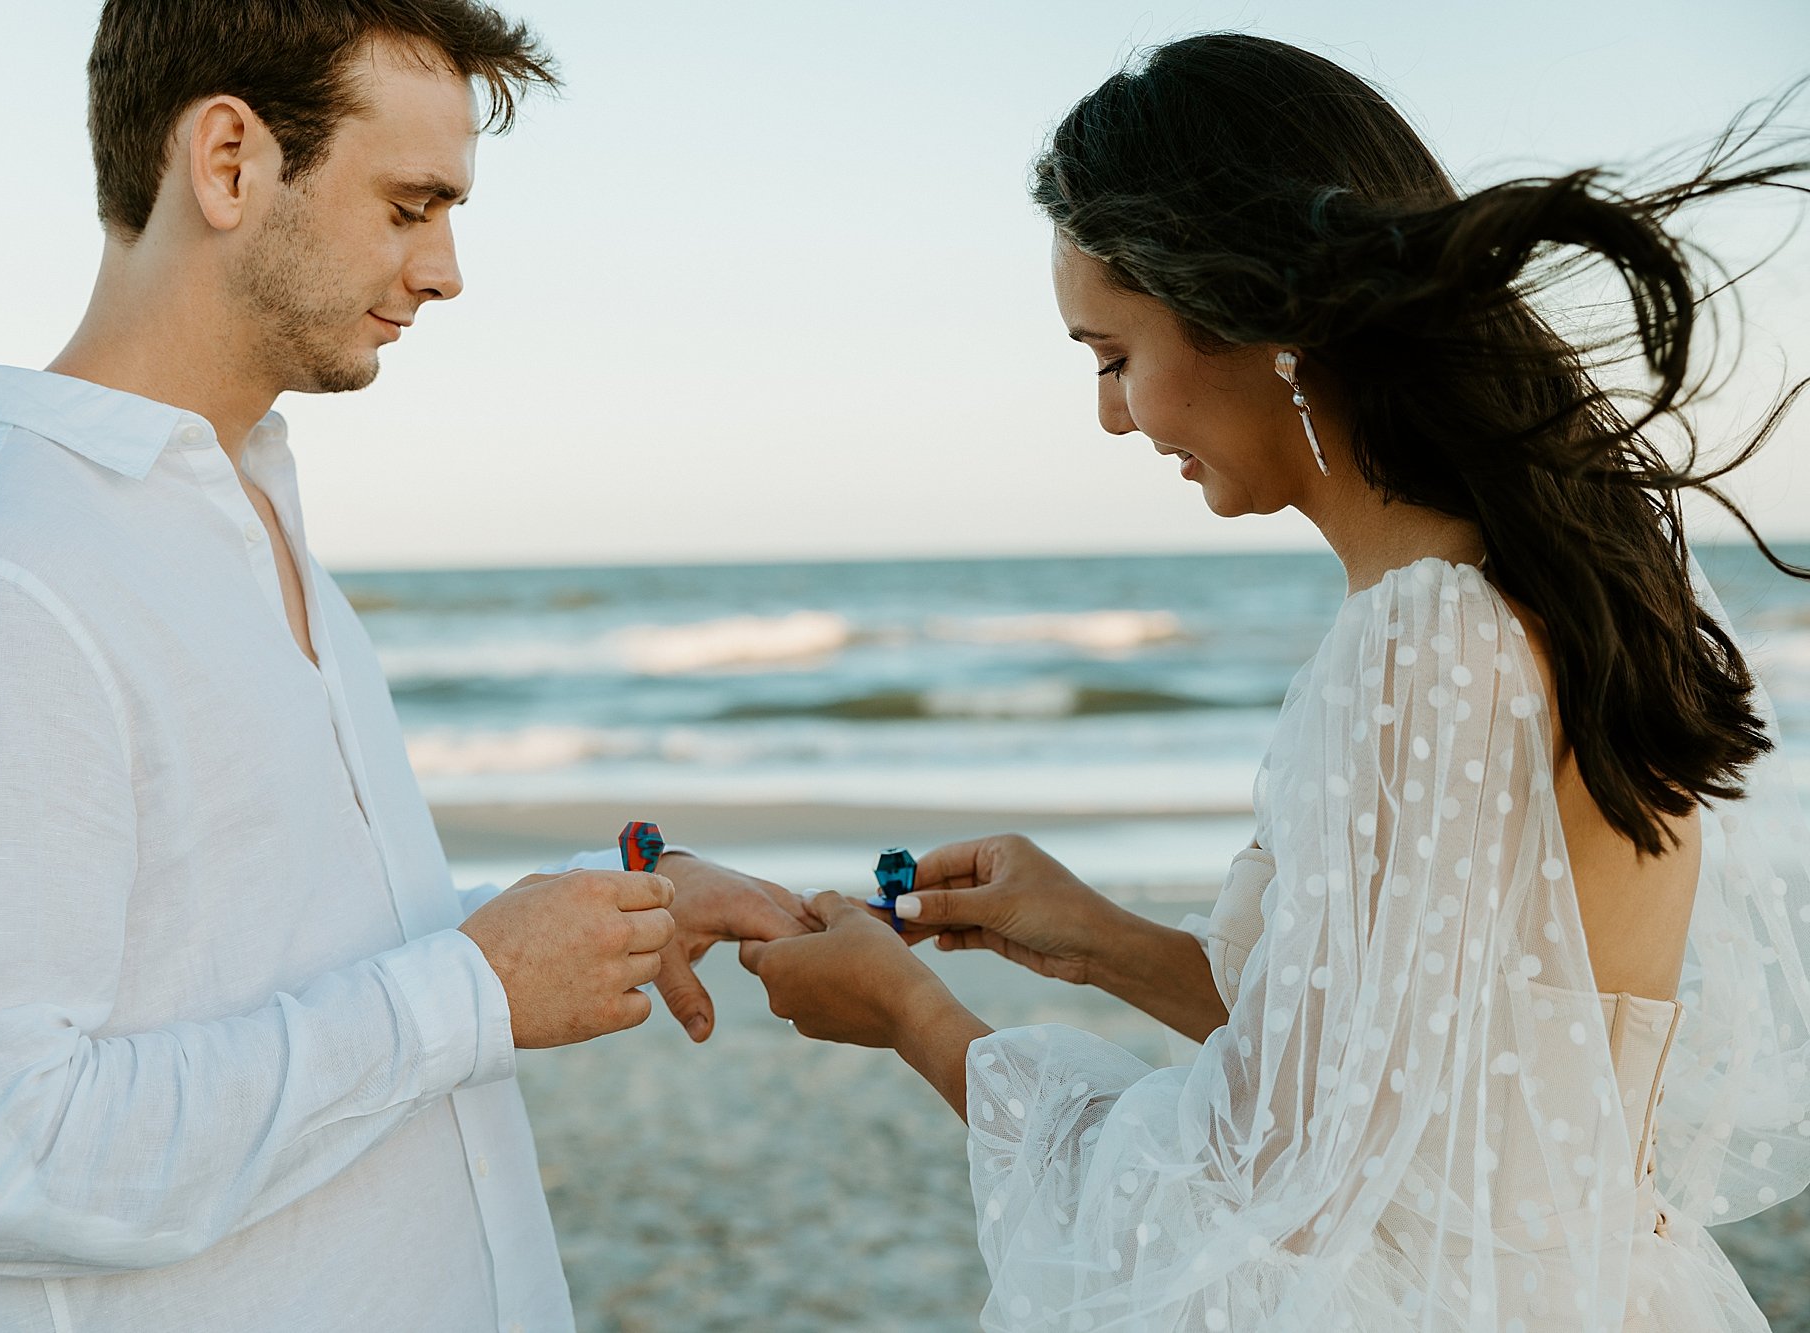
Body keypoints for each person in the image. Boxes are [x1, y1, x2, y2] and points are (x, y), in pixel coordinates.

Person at [741, 34, 1810, 1333]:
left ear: (1247, 306)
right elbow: (1429, 1079)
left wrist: (910, 1013)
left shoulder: (1418, 647)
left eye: (1112, 354)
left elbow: (1249, 1195)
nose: (1113, 418)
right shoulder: (1562, 584)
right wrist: (1101, 941)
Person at [0, 3, 809, 1330]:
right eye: (410, 204)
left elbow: (287, 957)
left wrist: (598, 918)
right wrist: (473, 991)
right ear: (228, 160)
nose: (447, 268)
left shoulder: (249, 519)